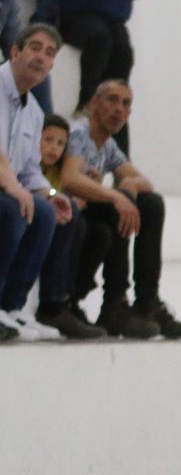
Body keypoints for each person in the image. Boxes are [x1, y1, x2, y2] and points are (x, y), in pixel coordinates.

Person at [61, 78, 181, 339]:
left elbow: (144, 182)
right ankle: (114, 303)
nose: (118, 109)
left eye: (125, 103)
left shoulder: (107, 144)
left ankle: (147, 302)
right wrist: (116, 195)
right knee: (118, 205)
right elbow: (69, 178)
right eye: (112, 100)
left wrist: (130, 184)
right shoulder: (79, 132)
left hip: (89, 207)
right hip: (66, 206)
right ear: (94, 104)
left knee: (151, 203)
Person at [0, 21, 71, 341]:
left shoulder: (35, 112)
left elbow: (29, 169)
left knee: (49, 211)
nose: (42, 57)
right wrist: (15, 188)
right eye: (35, 48)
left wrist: (51, 193)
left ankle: (13, 307)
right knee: (14, 207)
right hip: (5, 188)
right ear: (15, 52)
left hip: (8, 187)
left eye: (50, 53)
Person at [57, 0, 147, 153]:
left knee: (123, 53)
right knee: (100, 38)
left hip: (113, 22)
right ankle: (87, 105)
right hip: (76, 18)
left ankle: (121, 159)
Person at [33, 111, 104, 337]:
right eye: (48, 140)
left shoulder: (60, 170)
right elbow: (38, 188)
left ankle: (70, 299)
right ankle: (53, 304)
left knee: (99, 233)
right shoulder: (30, 164)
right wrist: (60, 198)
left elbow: (60, 193)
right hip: (31, 214)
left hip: (51, 217)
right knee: (75, 222)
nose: (54, 148)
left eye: (61, 143)